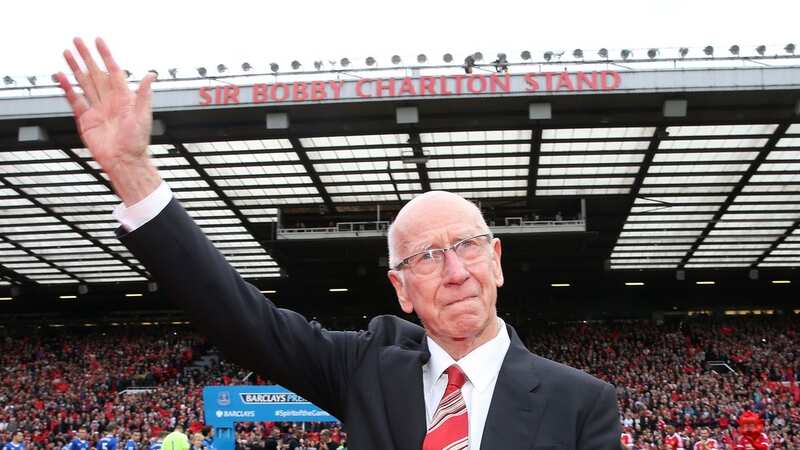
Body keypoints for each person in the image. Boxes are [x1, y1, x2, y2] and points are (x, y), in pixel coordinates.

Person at [56, 37, 621, 450]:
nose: (454, 271)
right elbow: (238, 317)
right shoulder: (369, 366)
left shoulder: (582, 402)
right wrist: (133, 171)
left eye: (468, 246)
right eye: (426, 257)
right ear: (400, 289)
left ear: (496, 261)